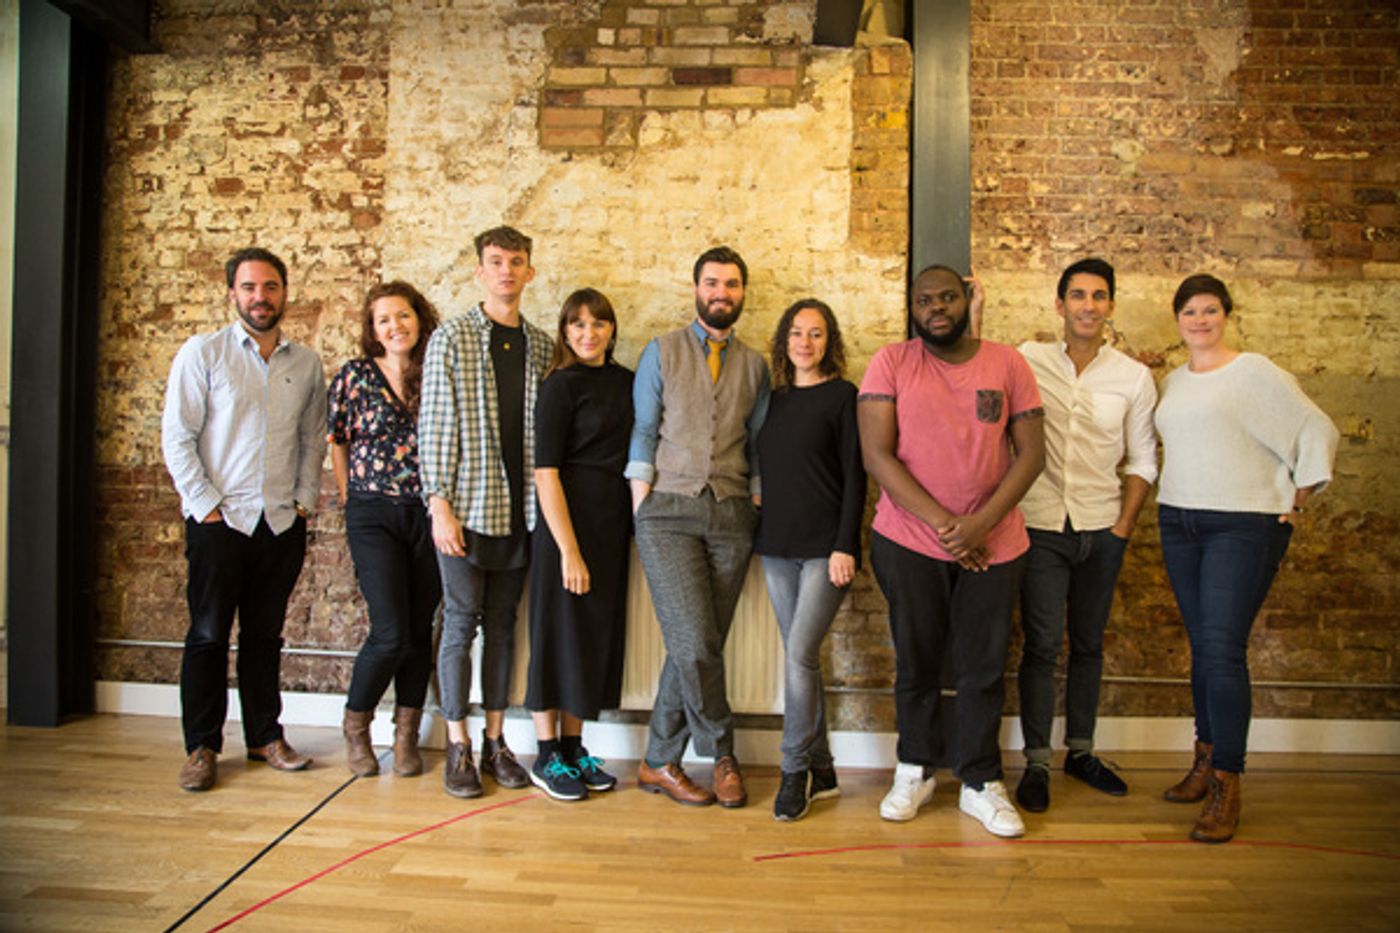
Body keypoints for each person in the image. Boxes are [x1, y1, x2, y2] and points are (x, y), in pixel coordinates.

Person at [858, 265, 1045, 838]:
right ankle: (915, 767)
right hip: (909, 541)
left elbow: (1032, 455)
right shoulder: (890, 362)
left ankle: (980, 781)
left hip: (996, 544)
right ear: (911, 309)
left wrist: (979, 526)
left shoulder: (1008, 363)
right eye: (924, 300)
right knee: (916, 662)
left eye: (946, 297)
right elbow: (878, 457)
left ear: (967, 299)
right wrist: (948, 528)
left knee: (983, 668)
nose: (935, 308)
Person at [1155, 274, 1338, 843]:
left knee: (1221, 648)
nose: (1201, 320)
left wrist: (1301, 493)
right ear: (1178, 319)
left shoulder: (1254, 372)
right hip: (1178, 518)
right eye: (1190, 311)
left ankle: (1227, 783)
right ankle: (1205, 758)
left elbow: (1317, 428)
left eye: (1211, 310)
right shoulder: (1172, 381)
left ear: (1226, 315)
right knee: (1202, 646)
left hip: (1242, 522)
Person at [161, 247, 327, 792]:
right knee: (208, 635)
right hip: (219, 521)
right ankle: (202, 748)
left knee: (265, 636)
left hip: (279, 523)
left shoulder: (305, 365)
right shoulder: (203, 353)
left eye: (271, 286)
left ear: (285, 292)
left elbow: (311, 439)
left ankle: (264, 737)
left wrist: (304, 500)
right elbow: (177, 437)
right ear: (232, 293)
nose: (261, 297)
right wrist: (204, 504)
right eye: (250, 287)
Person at [626, 245, 770, 808]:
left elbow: (757, 446)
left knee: (699, 645)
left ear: (741, 294)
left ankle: (659, 760)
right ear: (695, 289)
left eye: (732, 285)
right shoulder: (660, 352)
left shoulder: (756, 365)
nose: (722, 293)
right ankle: (723, 752)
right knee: (692, 642)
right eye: (713, 283)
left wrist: (755, 500)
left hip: (732, 515)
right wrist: (643, 503)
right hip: (667, 514)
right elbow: (643, 429)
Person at [1012, 258, 1158, 813]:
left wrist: (1122, 526)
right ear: (1060, 305)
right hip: (1041, 526)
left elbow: (1143, 458)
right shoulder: (1029, 360)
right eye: (1078, 295)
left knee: (1090, 645)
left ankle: (1081, 751)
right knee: (1043, 645)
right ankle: (1036, 764)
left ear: (1111, 307)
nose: (1088, 306)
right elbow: (982, 387)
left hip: (1102, 528)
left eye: (1099, 296)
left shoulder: (1133, 377)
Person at [419, 226, 553, 799]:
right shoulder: (450, 339)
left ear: (529, 273)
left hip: (520, 511)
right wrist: (438, 505)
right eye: (494, 262)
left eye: (515, 262)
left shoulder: (543, 346)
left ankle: (498, 741)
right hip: (465, 508)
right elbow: (435, 425)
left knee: (502, 628)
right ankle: (458, 744)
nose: (505, 271)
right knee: (458, 624)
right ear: (479, 272)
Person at [753, 299, 865, 822]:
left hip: (826, 549)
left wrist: (846, 545)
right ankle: (823, 769)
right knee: (803, 659)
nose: (805, 343)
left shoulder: (844, 396)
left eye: (816, 334)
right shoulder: (771, 401)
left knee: (798, 656)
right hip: (776, 546)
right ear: (784, 341)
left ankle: (793, 770)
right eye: (796, 333)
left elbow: (855, 476)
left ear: (829, 342)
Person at [524, 289, 635, 801]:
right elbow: (545, 474)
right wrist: (568, 549)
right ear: (565, 331)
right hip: (564, 530)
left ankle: (573, 748)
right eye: (578, 325)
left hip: (610, 531)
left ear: (612, 329)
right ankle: (545, 754)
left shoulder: (627, 383)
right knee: (556, 637)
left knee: (590, 642)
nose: (589, 333)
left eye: (599, 323)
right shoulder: (558, 388)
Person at [329, 281, 441, 778]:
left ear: (419, 319)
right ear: (372, 330)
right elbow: (338, 441)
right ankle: (356, 729)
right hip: (373, 514)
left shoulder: (435, 372)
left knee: (420, 631)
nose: (395, 326)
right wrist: (350, 497)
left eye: (403, 316)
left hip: (428, 513)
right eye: (384, 320)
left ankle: (405, 737)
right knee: (390, 632)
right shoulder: (354, 376)